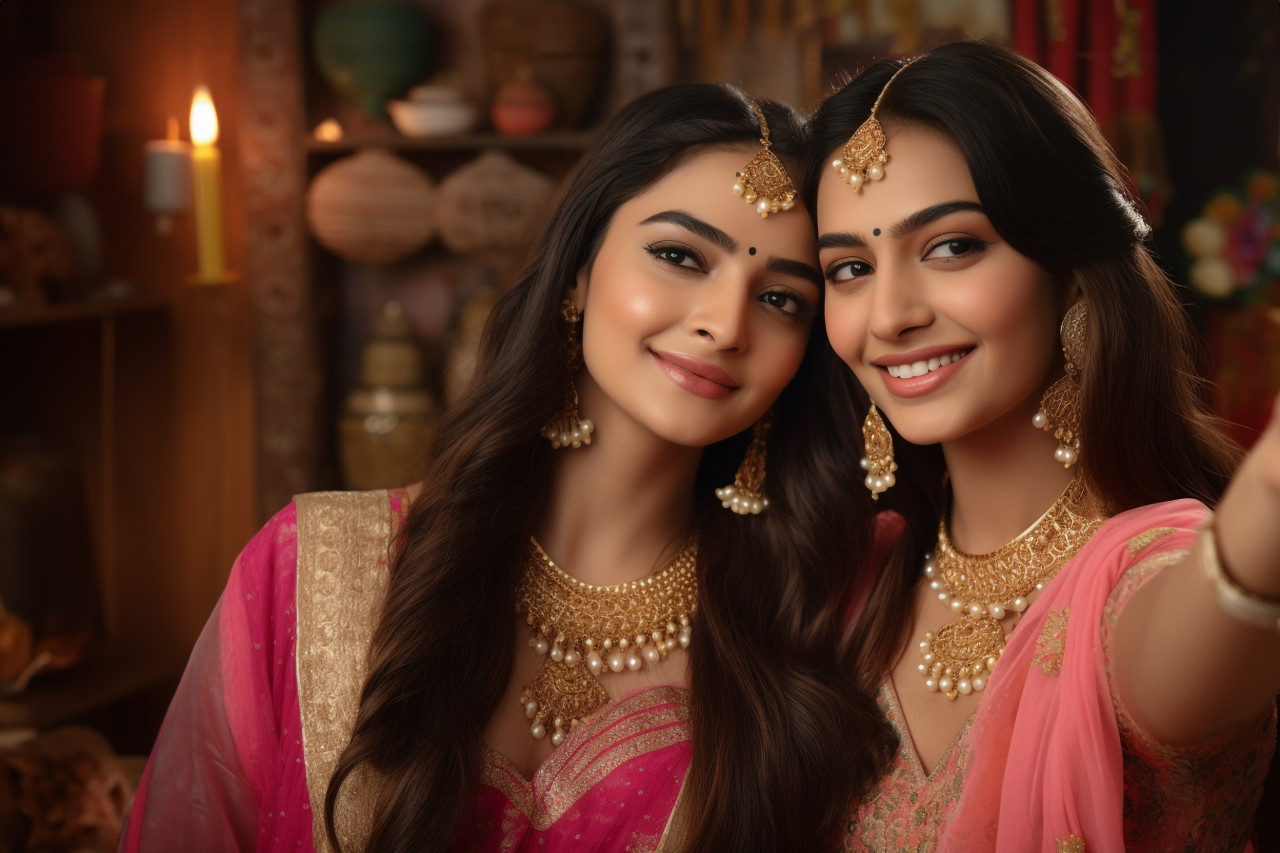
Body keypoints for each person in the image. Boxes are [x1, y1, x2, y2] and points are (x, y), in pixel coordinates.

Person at [120, 82, 895, 853]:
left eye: (784, 301)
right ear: (578, 272)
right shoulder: (311, 568)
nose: (725, 324)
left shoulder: (814, 608)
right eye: (678, 255)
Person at [804, 40, 1279, 850]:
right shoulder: (852, 579)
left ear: (1069, 270)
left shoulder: (1140, 579)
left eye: (951, 246)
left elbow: (1226, 589)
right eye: (848, 267)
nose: (887, 316)